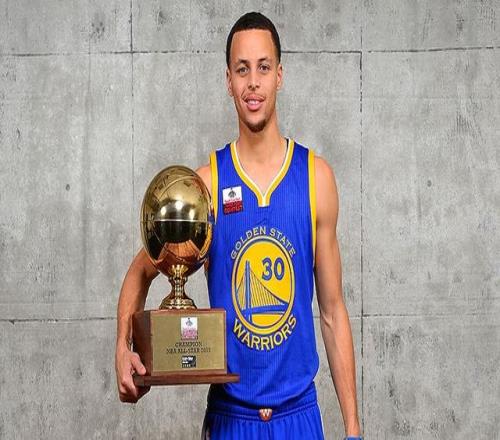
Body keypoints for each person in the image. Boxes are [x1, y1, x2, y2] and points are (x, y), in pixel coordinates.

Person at [115, 11, 363, 440]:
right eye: (242, 69)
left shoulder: (315, 178)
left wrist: (354, 431)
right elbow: (141, 270)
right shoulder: (207, 185)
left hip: (299, 416)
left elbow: (332, 312)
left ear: (279, 75)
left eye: (263, 68)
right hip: (232, 418)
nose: (253, 83)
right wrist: (123, 348)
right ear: (228, 80)